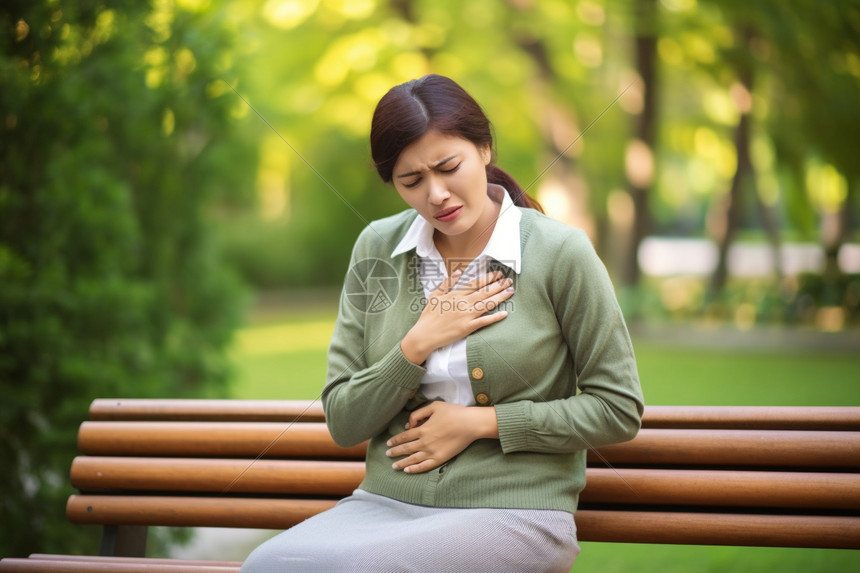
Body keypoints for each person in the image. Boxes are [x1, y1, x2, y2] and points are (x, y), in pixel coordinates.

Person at [240, 74, 644, 572]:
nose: (436, 195)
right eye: (412, 181)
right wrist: (415, 345)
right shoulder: (376, 248)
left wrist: (481, 423)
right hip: (384, 506)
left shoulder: (561, 253)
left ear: (485, 149)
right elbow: (344, 420)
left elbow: (617, 408)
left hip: (514, 510)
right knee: (270, 564)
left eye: (449, 167)